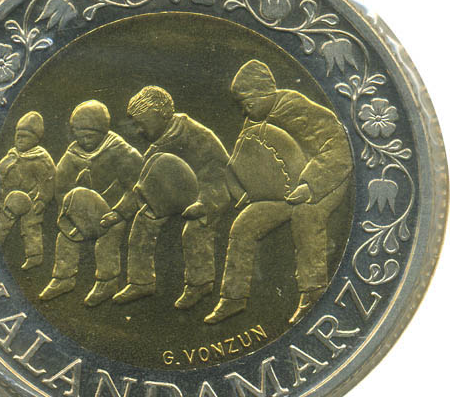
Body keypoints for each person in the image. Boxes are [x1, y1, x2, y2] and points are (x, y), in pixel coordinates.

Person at [204, 59, 353, 325]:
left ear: (266, 93)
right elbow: (251, 158)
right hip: (286, 189)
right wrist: (249, 189)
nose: (244, 109)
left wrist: (310, 185)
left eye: (247, 101)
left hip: (326, 182)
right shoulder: (254, 118)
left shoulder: (296, 108)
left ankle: (312, 294)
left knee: (307, 215)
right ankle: (233, 298)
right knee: (244, 225)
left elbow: (339, 148)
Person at [101, 86, 231, 309]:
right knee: (144, 219)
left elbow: (218, 174)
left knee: (195, 228)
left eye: (141, 123)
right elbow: (143, 185)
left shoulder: (197, 135)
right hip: (176, 196)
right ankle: (140, 282)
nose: (138, 131)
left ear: (160, 115)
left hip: (211, 195)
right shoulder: (157, 146)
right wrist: (119, 213)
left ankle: (199, 284)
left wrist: (204, 203)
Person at [39, 100, 142, 305]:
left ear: (103, 131)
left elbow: (137, 187)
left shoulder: (121, 151)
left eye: (90, 135)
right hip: (83, 211)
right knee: (66, 235)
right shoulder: (71, 155)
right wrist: (68, 213)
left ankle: (107, 281)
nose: (85, 140)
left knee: (108, 237)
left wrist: (119, 213)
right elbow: (61, 188)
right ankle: (63, 278)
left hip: (113, 212)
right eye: (80, 135)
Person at [0, 111, 55, 270]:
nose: (20, 139)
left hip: (33, 199)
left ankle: (34, 257)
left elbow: (48, 181)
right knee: (2, 222)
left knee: (31, 226)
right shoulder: (11, 157)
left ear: (36, 139)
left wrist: (42, 200)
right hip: (10, 199)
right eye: (18, 135)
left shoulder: (41, 158)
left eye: (25, 136)